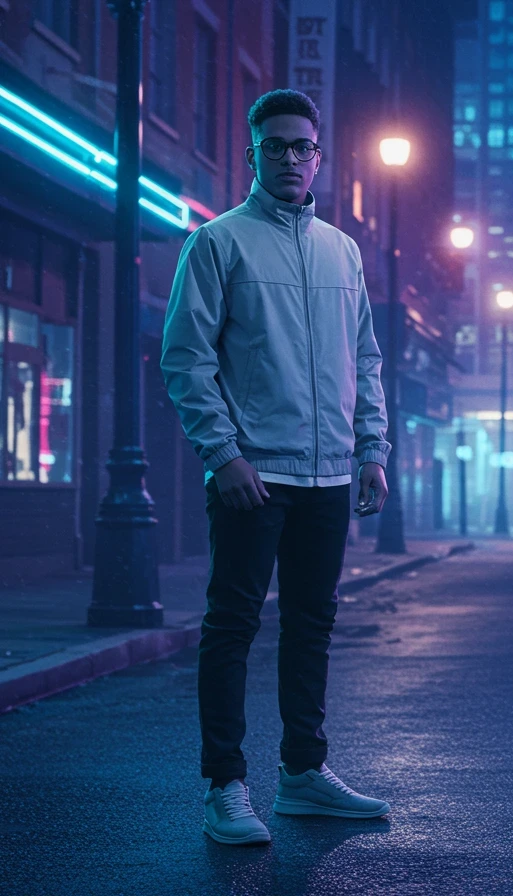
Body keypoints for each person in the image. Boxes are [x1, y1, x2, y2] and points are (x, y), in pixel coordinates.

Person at [162, 89, 392, 846]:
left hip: (330, 476)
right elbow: (187, 359)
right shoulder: (218, 242)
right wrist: (222, 453)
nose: (292, 159)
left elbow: (365, 357)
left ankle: (302, 775)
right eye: (277, 146)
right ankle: (226, 786)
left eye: (304, 147)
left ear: (320, 155)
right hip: (253, 476)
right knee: (231, 626)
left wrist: (372, 451)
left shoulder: (342, 248)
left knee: (311, 626)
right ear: (253, 152)